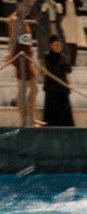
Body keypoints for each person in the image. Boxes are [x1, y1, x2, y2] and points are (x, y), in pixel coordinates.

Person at [7, 0, 39, 128]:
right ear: (18, 4)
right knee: (22, 88)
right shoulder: (15, 20)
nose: (28, 8)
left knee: (34, 89)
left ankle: (31, 117)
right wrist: (10, 54)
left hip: (27, 57)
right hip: (20, 58)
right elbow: (13, 39)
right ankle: (24, 119)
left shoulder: (23, 21)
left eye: (29, 6)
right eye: (25, 5)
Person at [41, 35, 74, 126]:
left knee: (64, 114)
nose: (58, 47)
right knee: (52, 113)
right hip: (51, 88)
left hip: (62, 88)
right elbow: (51, 69)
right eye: (56, 44)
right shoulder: (47, 56)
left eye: (60, 45)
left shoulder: (63, 57)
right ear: (51, 45)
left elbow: (69, 70)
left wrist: (66, 65)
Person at [60, 0, 85, 64]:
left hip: (74, 21)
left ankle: (73, 61)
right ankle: (65, 60)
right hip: (66, 20)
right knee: (66, 41)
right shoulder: (63, 2)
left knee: (74, 42)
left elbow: (81, 4)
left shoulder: (75, 1)